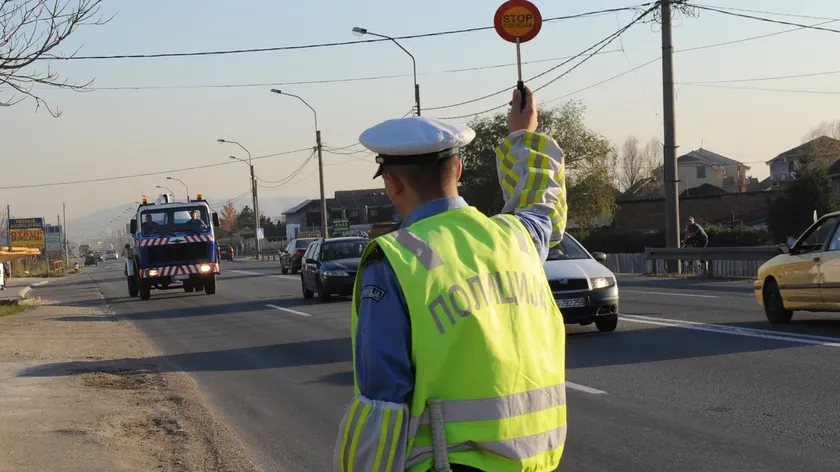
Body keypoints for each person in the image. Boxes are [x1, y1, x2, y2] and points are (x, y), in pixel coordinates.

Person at [334, 86, 568, 472]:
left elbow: (383, 402)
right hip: (539, 463)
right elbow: (544, 206)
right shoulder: (515, 237)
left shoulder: (395, 260)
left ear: (391, 182)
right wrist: (523, 134)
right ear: (457, 171)